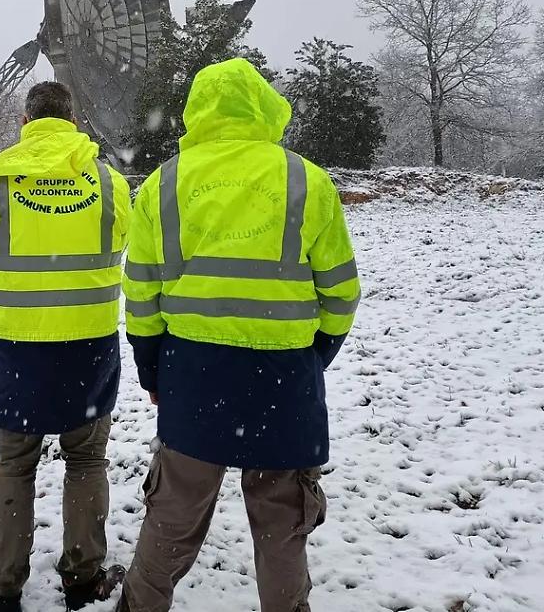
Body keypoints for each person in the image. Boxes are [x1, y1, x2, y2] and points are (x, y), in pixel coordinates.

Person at [116, 58, 361, 612]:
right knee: (281, 520)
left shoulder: (163, 184)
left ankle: (140, 605)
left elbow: (142, 293)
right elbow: (342, 291)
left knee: (173, 512)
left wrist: (153, 368)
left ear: (197, 111)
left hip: (194, 375)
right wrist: (314, 354)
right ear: (263, 106)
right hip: (283, 377)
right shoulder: (306, 179)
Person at [0, 81, 132, 612]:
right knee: (86, 461)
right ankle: (83, 576)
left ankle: (3, 584)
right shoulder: (107, 181)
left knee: (14, 465)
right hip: (88, 346)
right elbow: (124, 243)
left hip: (18, 348)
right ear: (72, 118)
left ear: (25, 119)